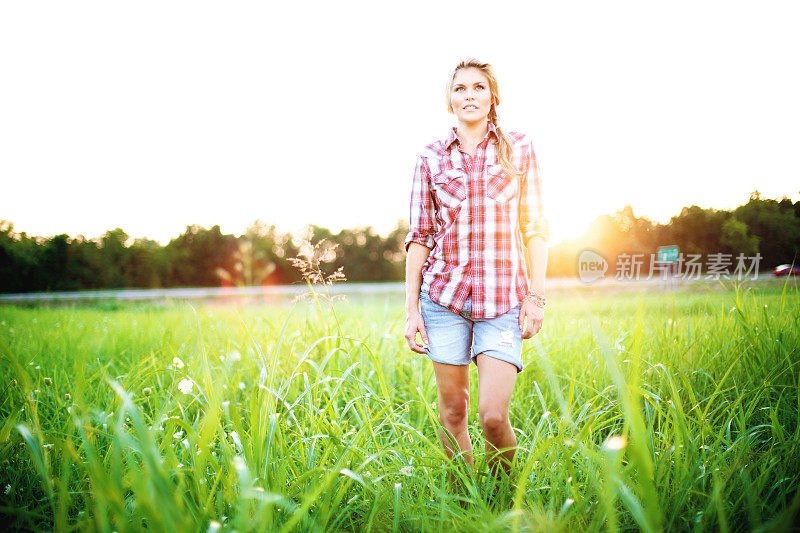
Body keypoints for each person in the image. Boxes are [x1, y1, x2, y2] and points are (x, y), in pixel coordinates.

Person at [403, 58, 549, 482]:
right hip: (443, 299)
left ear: (492, 96)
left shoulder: (519, 147)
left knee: (491, 416)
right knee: (453, 412)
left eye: (478, 87)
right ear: (449, 99)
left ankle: (505, 498)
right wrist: (412, 310)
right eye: (460, 88)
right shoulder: (430, 156)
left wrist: (535, 298)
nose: (469, 95)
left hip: (503, 301)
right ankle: (467, 502)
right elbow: (419, 236)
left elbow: (537, 228)